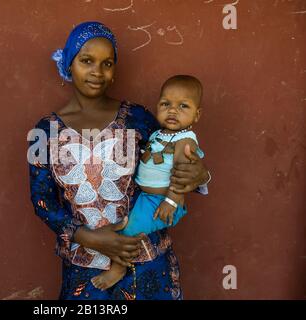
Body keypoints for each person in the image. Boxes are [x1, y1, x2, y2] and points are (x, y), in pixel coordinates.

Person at [28, 21, 210, 300]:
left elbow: (176, 157)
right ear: (68, 63)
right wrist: (88, 237)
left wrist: (200, 174)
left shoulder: (140, 118)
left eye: (107, 63)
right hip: (84, 272)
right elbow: (42, 200)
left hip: (149, 263)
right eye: (86, 60)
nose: (97, 72)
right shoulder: (42, 132)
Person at [91, 75, 205, 290]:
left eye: (183, 106)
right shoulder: (160, 134)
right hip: (147, 198)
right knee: (124, 223)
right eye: (165, 104)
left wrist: (171, 202)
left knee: (128, 233)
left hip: (161, 201)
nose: (172, 111)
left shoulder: (185, 140)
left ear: (196, 114)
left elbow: (182, 176)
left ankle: (118, 269)